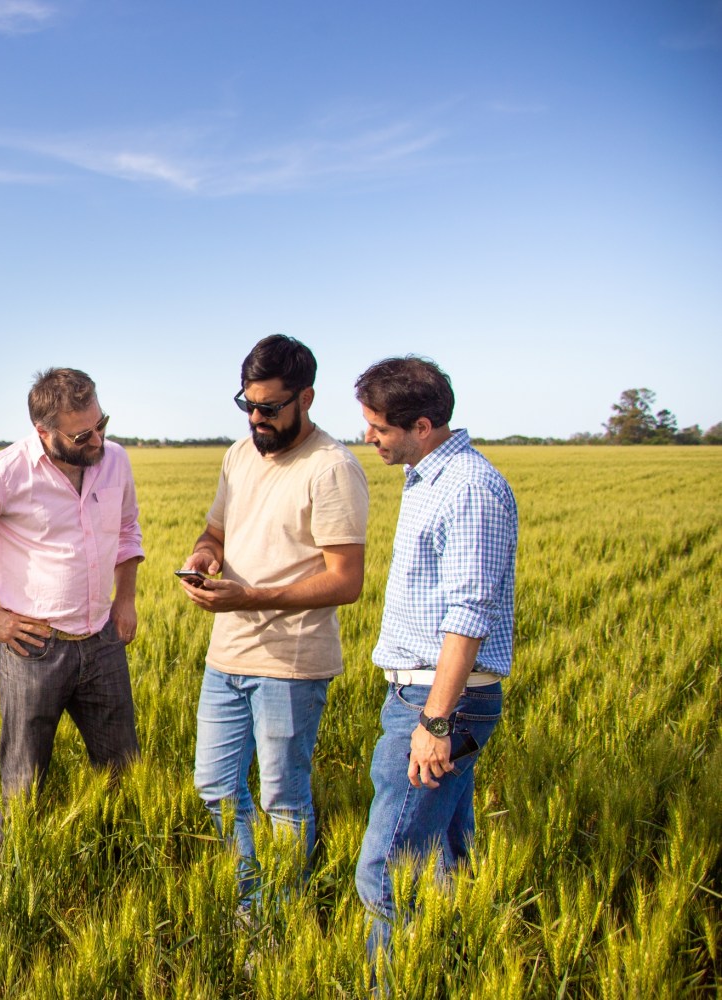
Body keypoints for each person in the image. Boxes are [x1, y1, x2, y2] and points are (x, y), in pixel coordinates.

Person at [179, 335, 369, 908]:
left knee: (283, 800)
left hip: (290, 664)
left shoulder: (332, 468)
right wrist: (203, 558)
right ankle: (247, 899)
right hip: (226, 657)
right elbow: (214, 532)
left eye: (270, 407)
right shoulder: (239, 455)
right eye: (248, 405)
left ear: (305, 397)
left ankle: (279, 916)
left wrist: (251, 598)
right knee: (214, 787)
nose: (257, 419)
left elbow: (346, 580)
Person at [351, 356, 518, 966]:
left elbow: (467, 615)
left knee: (386, 869)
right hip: (424, 697)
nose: (368, 435)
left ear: (422, 425)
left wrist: (436, 722)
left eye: (378, 426)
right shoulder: (427, 478)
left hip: (438, 702)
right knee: (448, 858)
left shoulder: (468, 488)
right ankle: (457, 967)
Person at [0, 367, 144, 803]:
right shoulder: (3, 473)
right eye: (81, 436)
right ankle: (17, 868)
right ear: (44, 432)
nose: (97, 441)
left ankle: (118, 861)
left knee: (124, 776)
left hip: (103, 641)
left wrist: (125, 599)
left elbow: (128, 530)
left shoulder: (114, 459)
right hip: (35, 650)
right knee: (23, 784)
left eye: (101, 425)